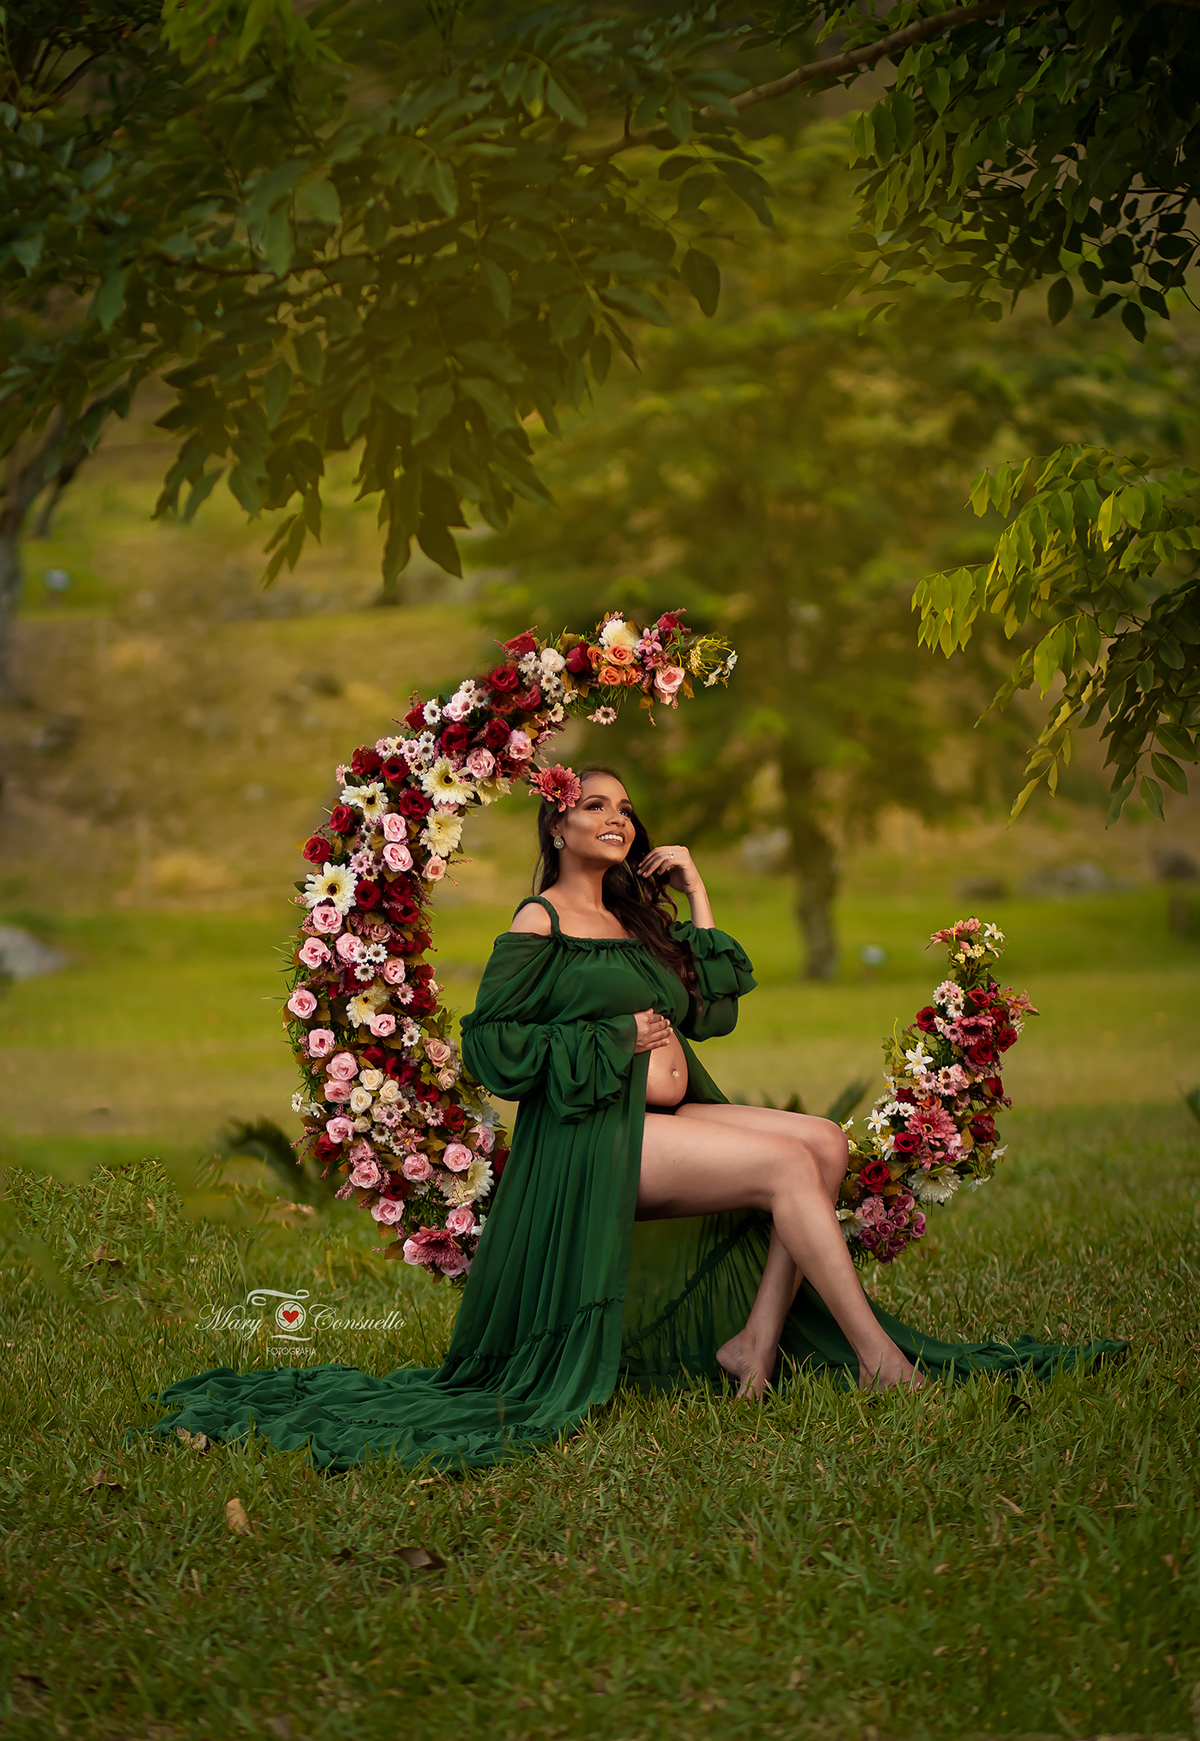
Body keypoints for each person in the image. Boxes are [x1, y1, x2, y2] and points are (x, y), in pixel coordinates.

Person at [139, 765, 1122, 1471]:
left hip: (659, 1115)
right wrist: (613, 1038)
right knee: (791, 1171)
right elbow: (492, 1047)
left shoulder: (631, 919)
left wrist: (690, 891)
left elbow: (710, 1007)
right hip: (588, 1143)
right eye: (595, 804)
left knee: (822, 1143)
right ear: (556, 825)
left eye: (626, 807)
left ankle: (754, 1345)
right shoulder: (541, 923)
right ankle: (882, 1365)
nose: (617, 816)